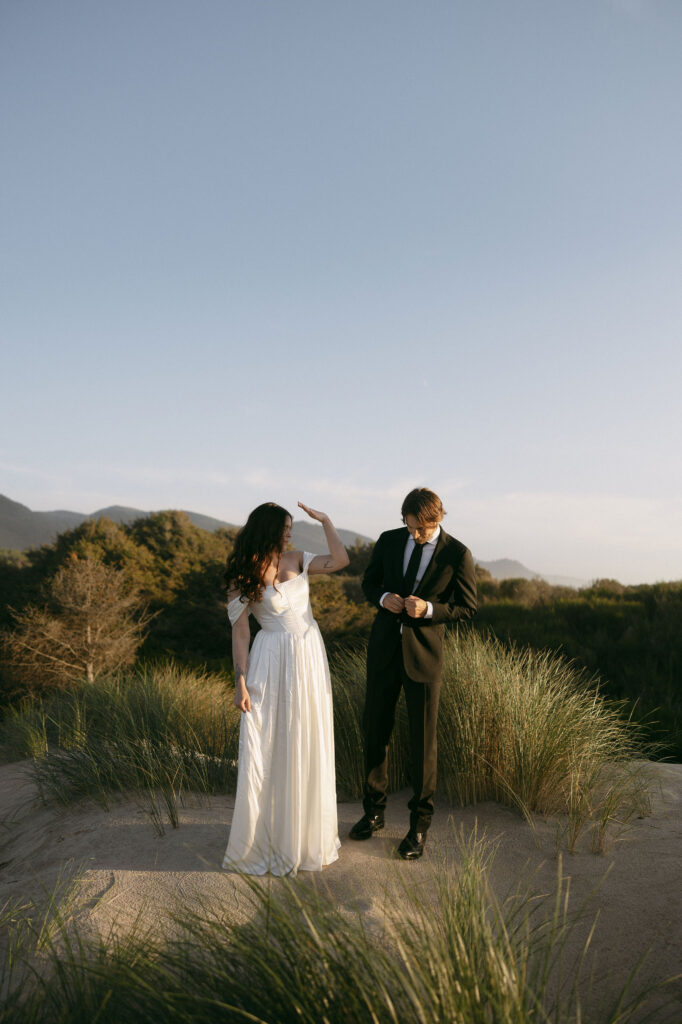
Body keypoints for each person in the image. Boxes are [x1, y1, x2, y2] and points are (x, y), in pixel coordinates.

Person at [222, 500, 349, 876]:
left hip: (308, 657)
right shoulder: (242, 575)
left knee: (307, 739)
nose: (290, 534)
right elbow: (241, 630)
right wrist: (240, 681)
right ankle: (271, 837)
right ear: (268, 530)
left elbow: (340, 560)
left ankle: (306, 837)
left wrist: (326, 521)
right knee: (270, 743)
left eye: (291, 528)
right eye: (285, 528)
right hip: (270, 660)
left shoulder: (299, 558)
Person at [350, 487, 477, 860]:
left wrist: (430, 610)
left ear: (438, 519)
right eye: (412, 527)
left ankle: (418, 829)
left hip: (424, 659)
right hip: (384, 651)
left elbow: (467, 608)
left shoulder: (458, 554)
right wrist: (382, 598)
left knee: (423, 745)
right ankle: (373, 813)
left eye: (425, 528)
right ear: (403, 518)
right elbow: (369, 583)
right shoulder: (389, 541)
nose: (418, 534)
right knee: (375, 731)